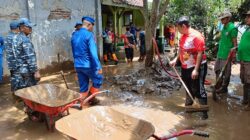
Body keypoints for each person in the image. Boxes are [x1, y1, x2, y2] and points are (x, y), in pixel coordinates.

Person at [170, 16, 208, 119]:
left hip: (196, 67)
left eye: (178, 27)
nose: (177, 30)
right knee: (188, 88)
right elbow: (181, 50)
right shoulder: (183, 36)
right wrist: (175, 59)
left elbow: (200, 53)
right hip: (185, 66)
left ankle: (204, 115)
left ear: (183, 26)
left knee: (199, 90)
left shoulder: (197, 36)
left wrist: (196, 69)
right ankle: (189, 110)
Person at [71, 16, 103, 105]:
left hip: (78, 65)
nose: (92, 27)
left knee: (83, 85)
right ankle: (91, 98)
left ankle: (82, 104)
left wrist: (75, 66)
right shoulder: (89, 35)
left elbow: (73, 52)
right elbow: (93, 53)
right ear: (89, 24)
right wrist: (98, 66)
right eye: (92, 25)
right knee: (98, 79)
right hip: (88, 65)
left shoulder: (74, 35)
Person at [5, 19, 40, 92]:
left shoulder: (15, 38)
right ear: (22, 27)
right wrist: (35, 71)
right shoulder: (25, 40)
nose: (31, 29)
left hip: (18, 70)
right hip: (27, 72)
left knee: (21, 92)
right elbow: (30, 57)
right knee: (31, 92)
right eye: (29, 27)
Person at [214, 11, 238, 93]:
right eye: (221, 19)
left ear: (228, 18)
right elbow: (222, 39)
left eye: (223, 19)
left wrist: (234, 56)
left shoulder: (232, 28)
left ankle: (224, 88)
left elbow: (235, 43)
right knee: (217, 70)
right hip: (220, 53)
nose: (221, 20)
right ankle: (218, 85)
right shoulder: (223, 27)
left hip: (227, 55)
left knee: (226, 73)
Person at [237, 10, 250, 108]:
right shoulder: (247, 29)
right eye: (246, 17)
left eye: (248, 17)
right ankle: (246, 100)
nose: (246, 19)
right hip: (243, 60)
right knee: (245, 81)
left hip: (249, 60)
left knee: (249, 82)